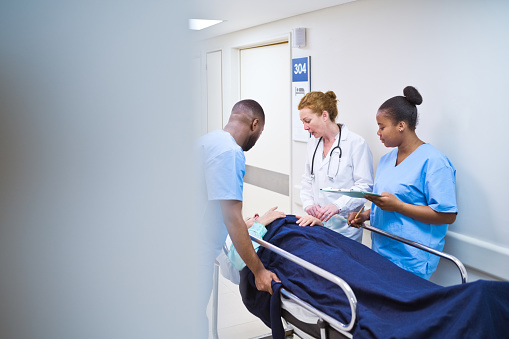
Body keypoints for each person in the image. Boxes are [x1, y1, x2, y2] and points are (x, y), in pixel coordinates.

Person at [348, 86, 458, 280]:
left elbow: (447, 215)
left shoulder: (434, 162)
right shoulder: (386, 160)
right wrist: (364, 215)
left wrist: (398, 206)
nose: (378, 133)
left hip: (412, 259)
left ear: (401, 125)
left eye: (382, 127)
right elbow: (385, 203)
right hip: (382, 252)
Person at [197, 99, 281, 334]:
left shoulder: (208, 141)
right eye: (261, 132)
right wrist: (259, 271)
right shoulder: (230, 153)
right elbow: (231, 218)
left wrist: (249, 224)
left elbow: (211, 203)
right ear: (255, 124)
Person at [299, 91, 374, 242]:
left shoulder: (356, 144)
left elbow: (364, 187)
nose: (305, 128)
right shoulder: (313, 143)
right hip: (317, 224)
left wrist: (337, 206)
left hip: (345, 230)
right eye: (303, 123)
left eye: (308, 121)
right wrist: (308, 204)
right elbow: (307, 179)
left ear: (324, 116)